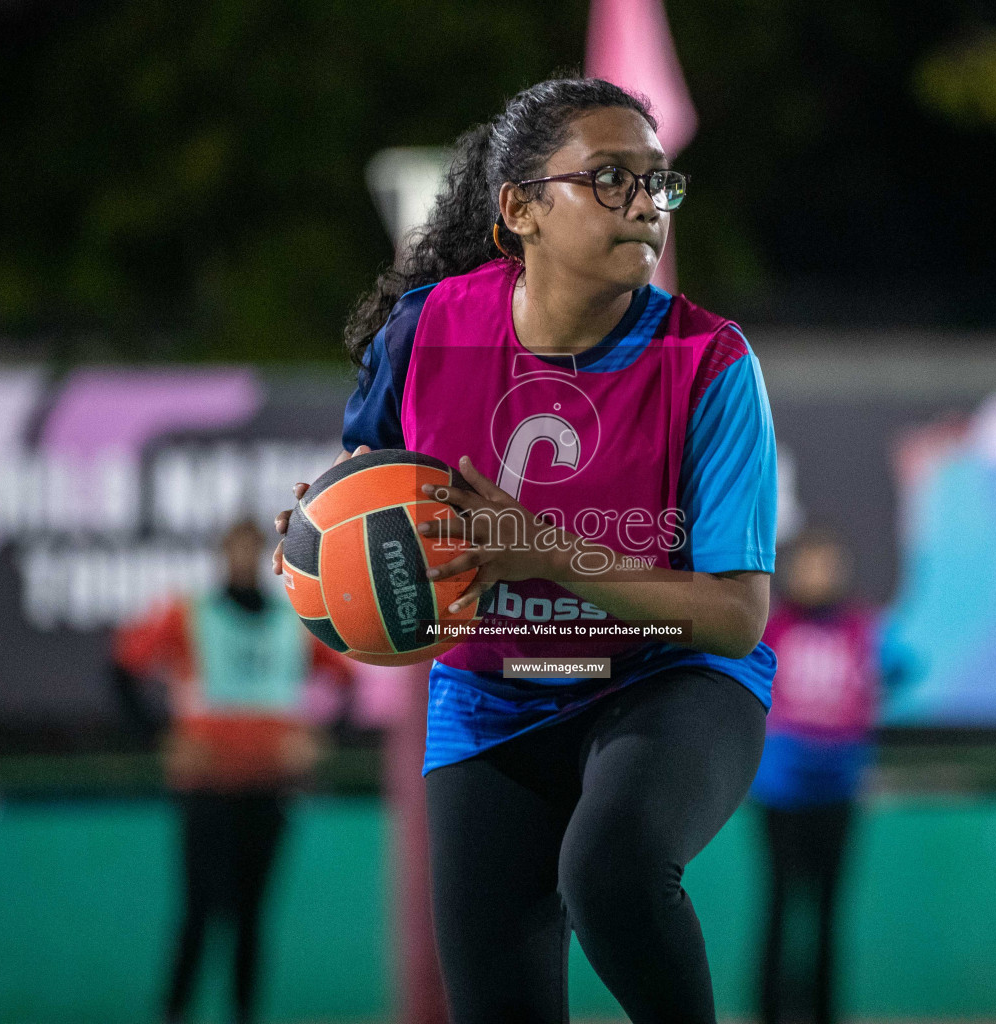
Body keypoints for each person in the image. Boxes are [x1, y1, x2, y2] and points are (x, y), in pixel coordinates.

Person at [275, 77, 779, 1024]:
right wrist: (318, 537)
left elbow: (734, 615)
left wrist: (545, 550)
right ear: (520, 210)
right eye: (610, 178)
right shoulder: (426, 330)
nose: (644, 203)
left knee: (612, 870)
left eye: (658, 184)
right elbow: (367, 484)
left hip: (666, 683)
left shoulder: (710, 363)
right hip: (490, 695)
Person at [113, 519, 348, 1024]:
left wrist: (319, 741)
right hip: (205, 789)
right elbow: (122, 671)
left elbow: (345, 679)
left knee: (251, 916)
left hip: (269, 789)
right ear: (221, 553)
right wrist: (162, 737)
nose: (242, 558)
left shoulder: (293, 622)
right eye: (233, 548)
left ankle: (243, 1014)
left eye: (250, 547)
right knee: (199, 911)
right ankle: (175, 1012)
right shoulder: (188, 613)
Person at [750, 530, 899, 1024]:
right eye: (809, 564)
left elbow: (899, 666)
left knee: (830, 914)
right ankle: (770, 1011)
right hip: (781, 791)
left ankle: (824, 1012)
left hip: (839, 789)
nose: (818, 575)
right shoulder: (773, 627)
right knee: (778, 906)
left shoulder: (861, 628)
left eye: (828, 564)